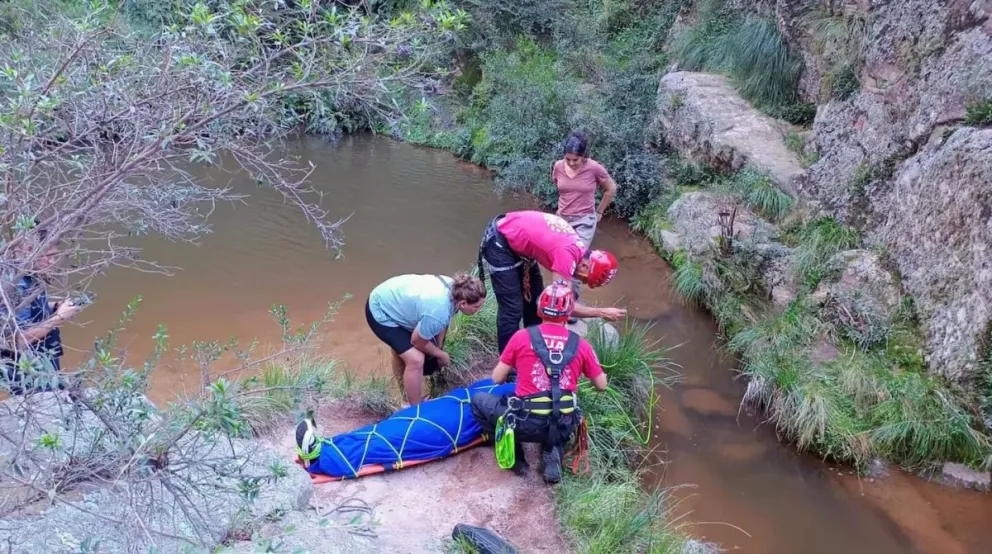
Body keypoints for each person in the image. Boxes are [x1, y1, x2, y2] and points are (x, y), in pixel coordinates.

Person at [470, 282, 608, 484]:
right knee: (562, 410)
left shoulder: (521, 337)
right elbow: (602, 385)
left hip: (524, 423)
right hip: (562, 423)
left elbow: (497, 378)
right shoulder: (581, 345)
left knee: (478, 401)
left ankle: (517, 461)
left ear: (539, 309)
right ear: (569, 313)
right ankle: (553, 451)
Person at [477, 209, 625, 354]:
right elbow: (561, 305)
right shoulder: (566, 255)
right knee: (512, 310)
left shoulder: (577, 249)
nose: (582, 282)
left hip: (520, 246)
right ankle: (508, 366)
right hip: (500, 243)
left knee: (535, 300)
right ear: (585, 265)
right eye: (585, 279)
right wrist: (600, 312)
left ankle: (532, 349)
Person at [366, 272, 487, 407]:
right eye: (477, 306)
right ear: (463, 303)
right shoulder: (438, 310)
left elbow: (443, 321)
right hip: (380, 309)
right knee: (415, 359)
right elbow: (417, 341)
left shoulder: (456, 289)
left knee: (405, 351)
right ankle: (415, 408)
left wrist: (438, 346)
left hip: (395, 300)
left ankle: (406, 397)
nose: (479, 310)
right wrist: (441, 355)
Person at [0, 223, 83, 394]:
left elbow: (28, 307)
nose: (52, 262)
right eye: (49, 256)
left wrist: (55, 306)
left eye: (55, 256)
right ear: (30, 250)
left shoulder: (32, 273)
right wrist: (59, 318)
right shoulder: (12, 285)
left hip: (46, 357)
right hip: (28, 369)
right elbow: (16, 341)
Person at [552, 132, 618, 250]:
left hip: (585, 220)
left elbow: (611, 188)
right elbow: (558, 185)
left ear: (583, 156)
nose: (571, 163)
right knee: (560, 254)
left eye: (575, 159)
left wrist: (599, 212)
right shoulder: (558, 166)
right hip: (562, 218)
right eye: (568, 159)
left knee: (577, 255)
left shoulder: (594, 168)